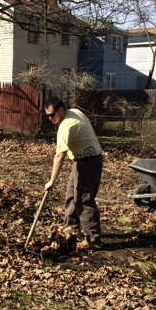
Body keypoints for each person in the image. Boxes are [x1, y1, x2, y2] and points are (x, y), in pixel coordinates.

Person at [44, 97, 103, 250]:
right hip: (83, 160)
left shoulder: (66, 126)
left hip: (87, 163)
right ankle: (71, 229)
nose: (50, 118)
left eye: (52, 114)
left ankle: (93, 239)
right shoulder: (74, 112)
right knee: (71, 195)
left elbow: (59, 156)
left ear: (61, 110)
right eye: (48, 115)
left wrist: (51, 181)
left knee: (84, 200)